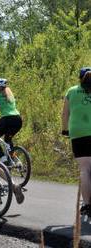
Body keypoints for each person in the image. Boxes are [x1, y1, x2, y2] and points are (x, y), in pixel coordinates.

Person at [62, 67, 91, 217]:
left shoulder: (72, 91)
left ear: (80, 79)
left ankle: (87, 205)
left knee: (85, 170)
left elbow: (65, 113)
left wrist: (65, 130)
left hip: (79, 134)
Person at [0, 78, 22, 163]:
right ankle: (13, 159)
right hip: (18, 119)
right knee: (8, 139)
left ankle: (3, 157)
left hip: (7, 119)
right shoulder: (10, 94)